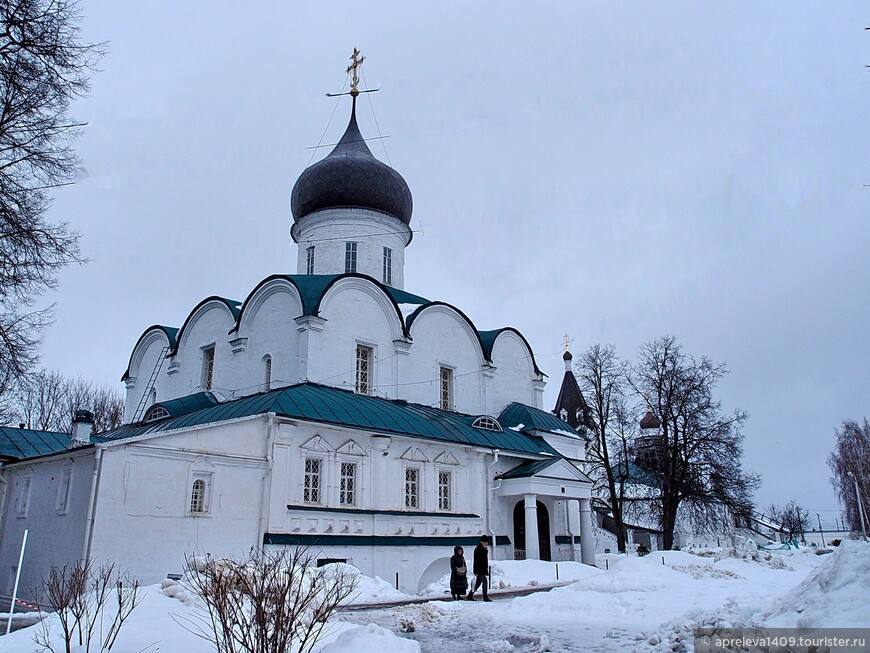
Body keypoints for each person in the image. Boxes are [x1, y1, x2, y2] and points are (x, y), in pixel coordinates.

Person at [467, 534, 491, 601]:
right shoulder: (479, 549)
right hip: (479, 570)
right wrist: (476, 571)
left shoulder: (482, 549)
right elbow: (477, 561)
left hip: (481, 569)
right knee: (485, 582)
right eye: (486, 542)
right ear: (482, 542)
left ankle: (470, 595)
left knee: (478, 583)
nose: (487, 544)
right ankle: (485, 597)